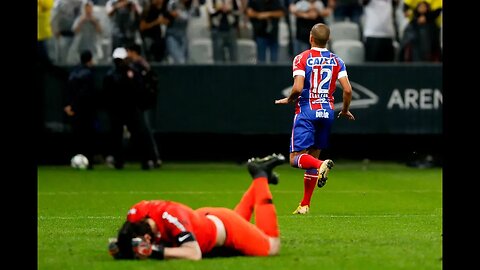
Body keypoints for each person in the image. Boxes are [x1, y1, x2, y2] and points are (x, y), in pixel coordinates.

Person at [108, 153, 286, 260]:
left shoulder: (171, 217)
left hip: (227, 227)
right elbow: (125, 237)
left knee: (271, 247)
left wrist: (155, 251)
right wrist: (120, 247)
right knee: (240, 221)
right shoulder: (137, 214)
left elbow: (193, 254)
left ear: (147, 235)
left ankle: (260, 175)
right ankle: (259, 180)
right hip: (204, 221)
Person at [274, 23, 355, 214]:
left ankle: (321, 165)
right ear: (328, 39)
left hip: (307, 111)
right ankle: (305, 204)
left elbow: (297, 87)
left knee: (296, 159)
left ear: (311, 37)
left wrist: (289, 99)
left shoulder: (302, 58)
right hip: (326, 112)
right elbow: (348, 90)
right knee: (312, 156)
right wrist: (344, 110)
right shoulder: (337, 61)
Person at [102, 47, 159, 170]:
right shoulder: (111, 75)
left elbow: (140, 89)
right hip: (118, 110)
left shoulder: (132, 73)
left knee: (139, 135)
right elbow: (107, 94)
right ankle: (119, 161)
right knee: (117, 136)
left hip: (131, 109)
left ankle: (146, 160)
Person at [64, 50, 99, 169]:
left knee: (77, 136)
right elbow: (88, 94)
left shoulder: (73, 73)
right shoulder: (89, 74)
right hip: (86, 111)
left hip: (75, 111)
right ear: (90, 59)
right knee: (89, 136)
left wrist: (69, 105)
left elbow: (69, 91)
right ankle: (89, 161)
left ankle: (77, 157)